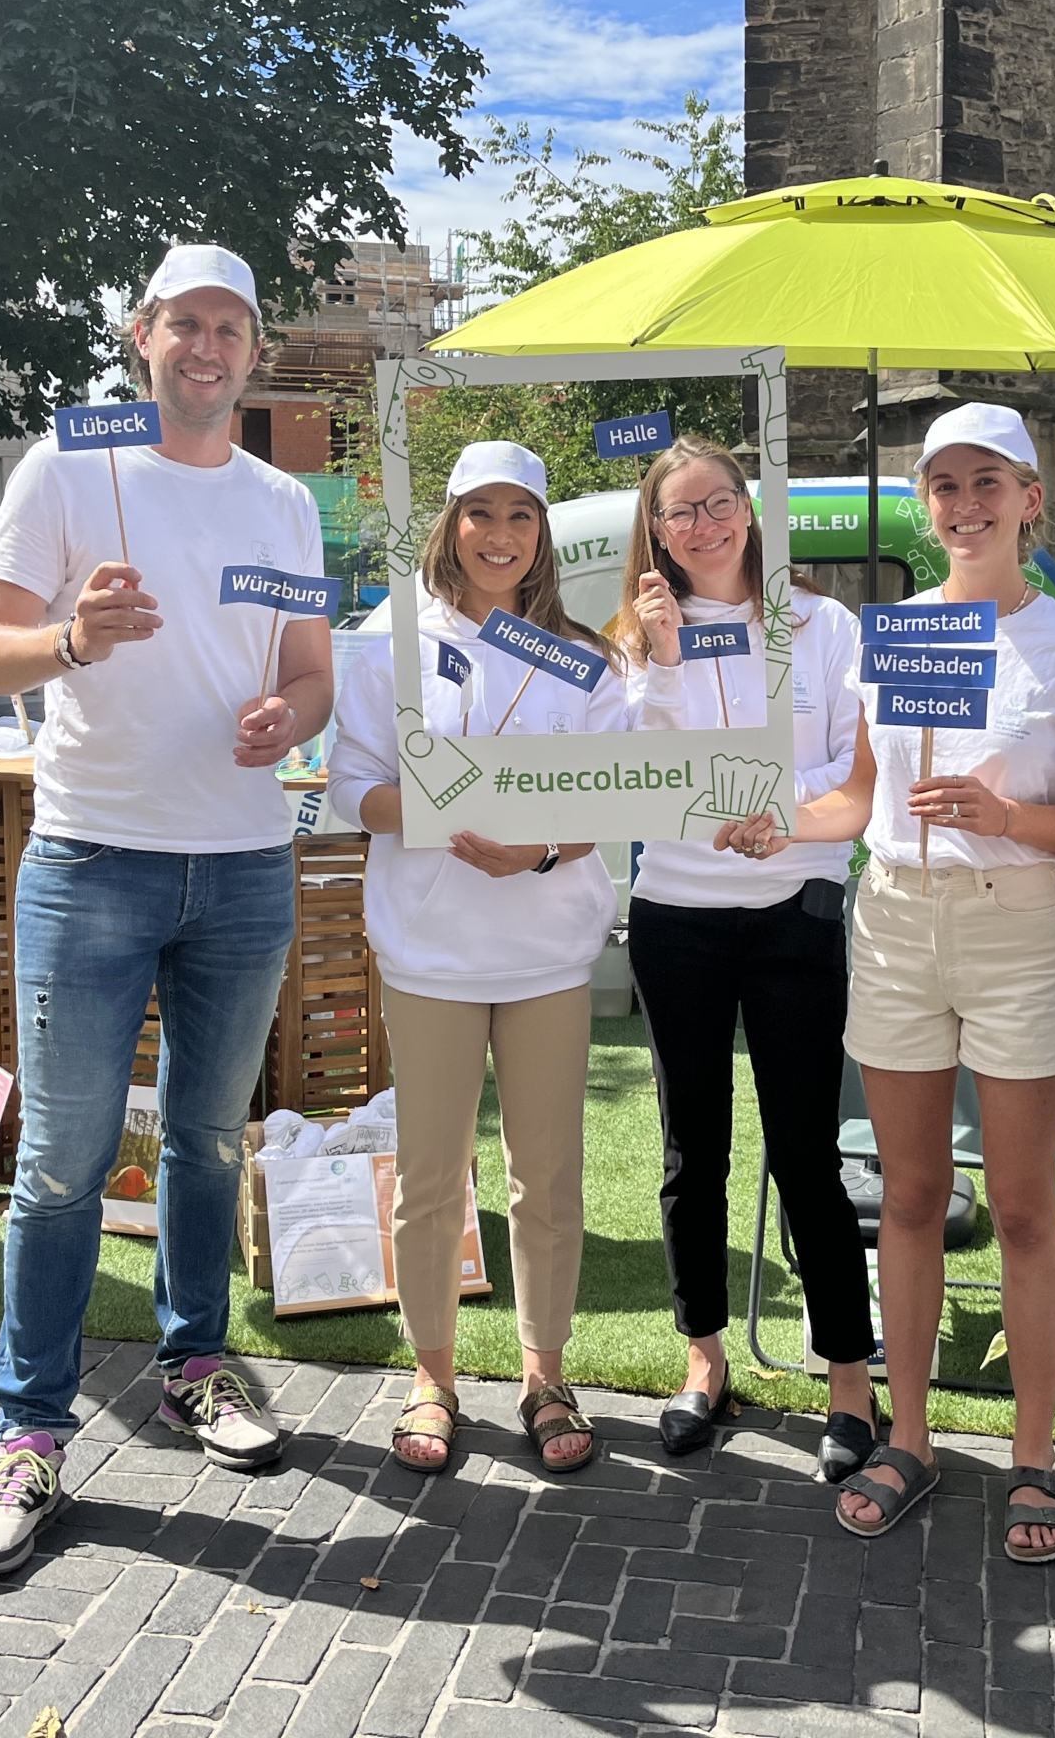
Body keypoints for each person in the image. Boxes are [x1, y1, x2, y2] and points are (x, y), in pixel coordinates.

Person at [0, 244, 334, 1576]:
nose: (207, 348)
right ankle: (30, 1435)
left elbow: (313, 675)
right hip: (91, 862)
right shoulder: (68, 468)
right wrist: (69, 643)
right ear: (141, 336)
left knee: (211, 1143)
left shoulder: (285, 501)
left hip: (239, 868)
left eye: (230, 327)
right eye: (185, 324)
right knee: (58, 1164)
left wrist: (295, 713)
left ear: (252, 348)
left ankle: (196, 1367)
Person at [720, 401, 1055, 1560]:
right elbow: (858, 797)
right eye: (943, 486)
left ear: (1029, 497)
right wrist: (784, 823)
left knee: (1015, 1207)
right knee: (902, 1199)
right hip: (894, 917)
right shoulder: (891, 633)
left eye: (986, 483)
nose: (964, 506)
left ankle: (1036, 1460)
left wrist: (1006, 815)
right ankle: (910, 1437)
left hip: (1014, 927)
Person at [328, 442, 630, 1477]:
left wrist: (539, 845)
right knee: (428, 1177)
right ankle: (434, 1376)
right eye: (480, 514)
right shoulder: (390, 641)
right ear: (448, 520)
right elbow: (348, 790)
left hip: (547, 948)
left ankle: (546, 1374)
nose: (500, 537)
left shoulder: (582, 655)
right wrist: (435, 806)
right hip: (428, 949)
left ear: (542, 534)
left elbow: (610, 801)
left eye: (521, 517)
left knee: (547, 1177)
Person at [610, 436, 877, 1473]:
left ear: (750, 510)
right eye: (680, 513)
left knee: (809, 1155)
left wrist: (788, 821)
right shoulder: (635, 639)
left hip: (791, 912)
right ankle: (704, 1360)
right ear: (657, 531)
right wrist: (667, 663)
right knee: (693, 1155)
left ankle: (848, 1382)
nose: (704, 526)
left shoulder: (822, 626)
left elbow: (854, 784)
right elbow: (637, 781)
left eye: (718, 502)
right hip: (675, 912)